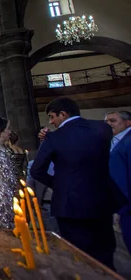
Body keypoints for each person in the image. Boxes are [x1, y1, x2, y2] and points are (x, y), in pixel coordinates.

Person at [31, 97, 120, 269]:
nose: (51, 122)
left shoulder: (53, 138)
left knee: (78, 255)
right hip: (101, 200)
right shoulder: (102, 128)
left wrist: (59, 185)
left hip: (69, 204)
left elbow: (36, 171)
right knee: (105, 251)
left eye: (52, 116)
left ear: (63, 114)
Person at [108, 110, 131, 254]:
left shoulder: (128, 141)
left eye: (113, 120)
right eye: (107, 121)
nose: (108, 124)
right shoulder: (117, 140)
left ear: (128, 123)